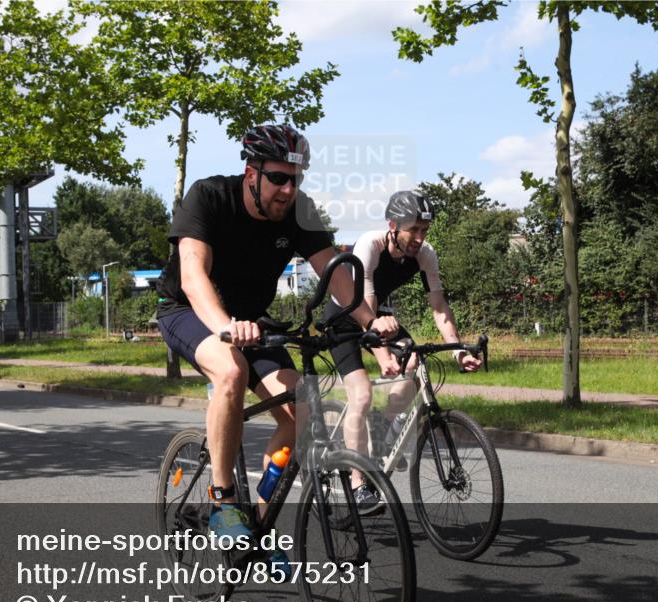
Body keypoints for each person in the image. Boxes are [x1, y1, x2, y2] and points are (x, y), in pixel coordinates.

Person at [156, 124, 399, 572]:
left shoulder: (298, 212)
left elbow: (336, 275)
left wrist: (371, 322)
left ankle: (258, 531)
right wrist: (226, 326)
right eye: (278, 178)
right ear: (252, 173)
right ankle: (223, 500)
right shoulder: (209, 197)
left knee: (303, 409)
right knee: (230, 371)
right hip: (188, 311)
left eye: (296, 179)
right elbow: (193, 275)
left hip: (254, 322)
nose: (288, 189)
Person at [321, 191, 482, 513]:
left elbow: (439, 308)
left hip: (379, 317)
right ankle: (357, 486)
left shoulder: (425, 254)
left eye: (425, 230)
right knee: (362, 395)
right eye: (414, 230)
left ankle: (384, 424)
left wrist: (458, 350)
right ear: (393, 225)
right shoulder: (370, 244)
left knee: (416, 363)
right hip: (345, 318)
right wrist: (383, 356)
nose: (420, 238)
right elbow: (363, 301)